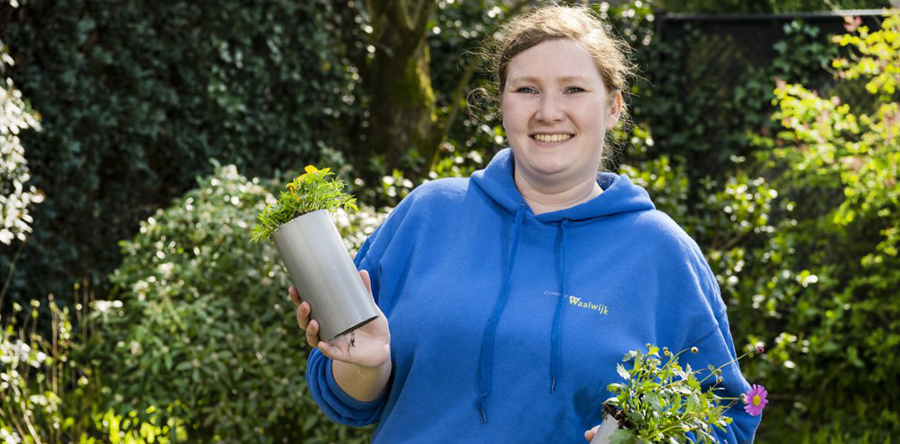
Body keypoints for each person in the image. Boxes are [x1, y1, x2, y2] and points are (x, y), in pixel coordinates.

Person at [289, 5, 761, 443]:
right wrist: (368, 367)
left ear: (613, 106)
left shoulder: (660, 253)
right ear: (502, 102)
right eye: (527, 89)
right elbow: (348, 401)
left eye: (574, 89)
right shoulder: (427, 214)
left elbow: (729, 423)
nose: (548, 112)